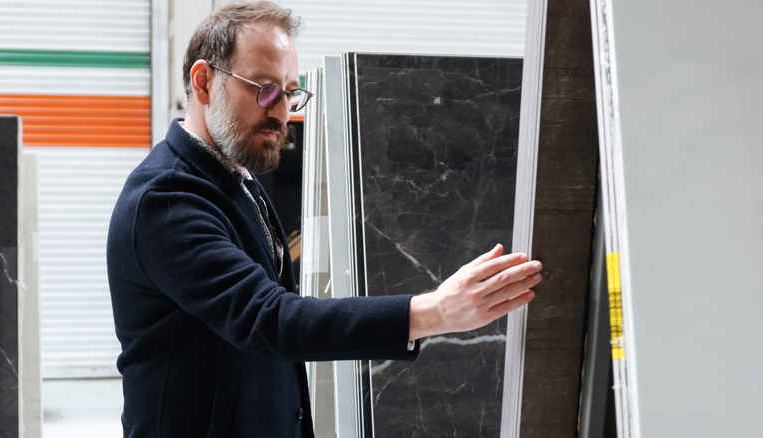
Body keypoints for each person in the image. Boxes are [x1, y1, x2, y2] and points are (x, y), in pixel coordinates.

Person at [106, 1, 543, 437]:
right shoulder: (165, 200)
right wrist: (434, 311)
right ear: (204, 82)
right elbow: (270, 319)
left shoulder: (234, 175)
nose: (282, 112)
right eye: (264, 89)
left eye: (290, 92)